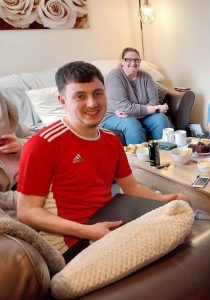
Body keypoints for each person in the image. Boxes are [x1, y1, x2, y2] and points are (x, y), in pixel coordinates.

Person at [16, 61, 189, 263]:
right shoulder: (42, 144)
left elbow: (131, 188)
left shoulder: (110, 140)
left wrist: (167, 199)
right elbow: (27, 212)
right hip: (70, 242)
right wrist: (89, 231)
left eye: (98, 93)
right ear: (63, 101)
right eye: (80, 96)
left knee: (180, 230)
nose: (92, 103)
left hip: (107, 223)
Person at [101, 47, 172, 145]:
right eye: (128, 60)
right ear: (122, 61)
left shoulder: (146, 76)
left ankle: (163, 154)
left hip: (138, 115)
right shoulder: (115, 75)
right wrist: (155, 109)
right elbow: (124, 107)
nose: (133, 63)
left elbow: (154, 102)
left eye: (136, 60)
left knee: (161, 119)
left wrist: (136, 113)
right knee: (132, 125)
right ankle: (138, 159)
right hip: (114, 115)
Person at [0, 94, 33, 218]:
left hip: (37, 171)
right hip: (16, 194)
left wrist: (20, 145)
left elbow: (37, 137)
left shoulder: (7, 120)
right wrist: (23, 199)